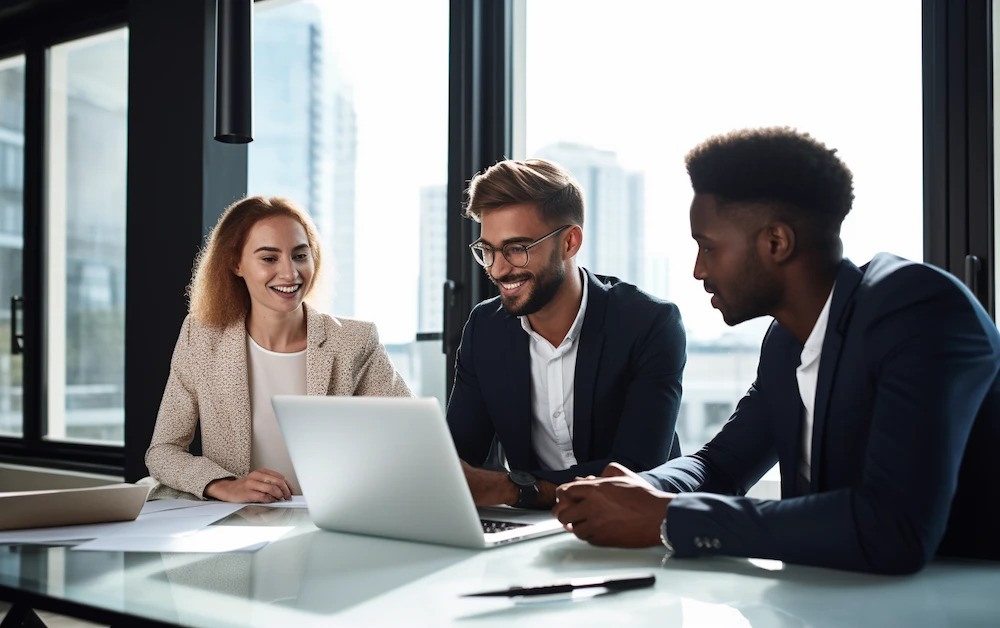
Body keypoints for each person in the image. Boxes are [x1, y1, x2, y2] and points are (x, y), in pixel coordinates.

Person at [553, 127, 1000, 574]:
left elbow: (891, 528)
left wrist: (666, 517)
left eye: (707, 246)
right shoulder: (786, 340)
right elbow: (722, 465)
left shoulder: (918, 311)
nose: (697, 270)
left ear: (776, 242)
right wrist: (641, 488)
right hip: (828, 601)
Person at [448, 158, 686, 510]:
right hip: (531, 528)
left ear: (569, 242)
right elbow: (459, 461)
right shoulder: (486, 329)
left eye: (516, 249)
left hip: (637, 526)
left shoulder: (648, 323)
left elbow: (636, 470)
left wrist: (514, 488)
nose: (498, 269)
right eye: (488, 250)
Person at [145, 196, 411, 502]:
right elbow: (163, 451)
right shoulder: (202, 337)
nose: (289, 273)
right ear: (236, 263)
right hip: (237, 527)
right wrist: (225, 484)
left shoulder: (355, 341)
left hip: (332, 518)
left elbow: (410, 439)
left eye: (300, 255)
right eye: (269, 259)